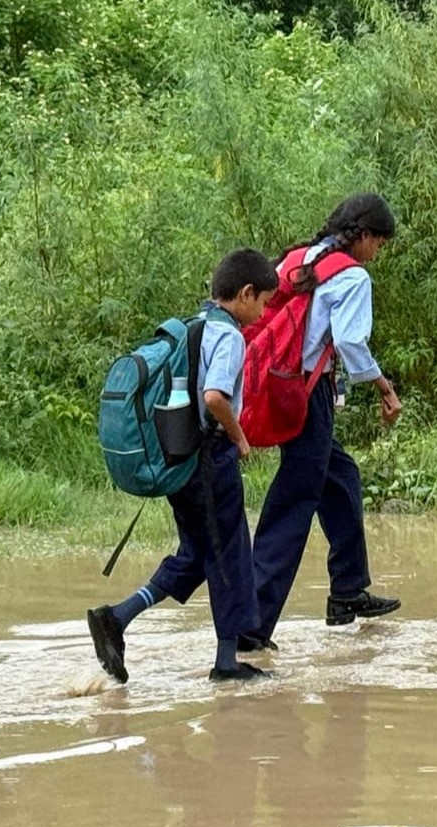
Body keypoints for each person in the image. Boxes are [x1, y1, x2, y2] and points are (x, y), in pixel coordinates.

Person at [87, 248, 278, 682]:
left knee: (196, 555)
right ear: (245, 294)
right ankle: (227, 662)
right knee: (230, 554)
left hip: (182, 461)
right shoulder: (229, 336)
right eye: (263, 302)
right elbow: (214, 397)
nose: (264, 311)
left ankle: (117, 617)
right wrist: (240, 437)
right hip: (211, 461)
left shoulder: (194, 326)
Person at [239, 193, 403, 653]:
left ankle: (347, 591)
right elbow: (351, 343)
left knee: (341, 477)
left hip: (287, 386)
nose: (378, 253)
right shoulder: (352, 276)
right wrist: (385, 388)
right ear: (365, 235)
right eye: (380, 243)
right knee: (292, 506)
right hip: (309, 396)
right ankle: (250, 629)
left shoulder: (305, 257)